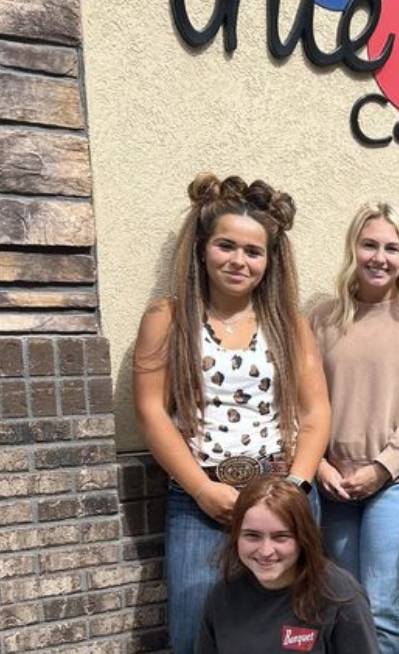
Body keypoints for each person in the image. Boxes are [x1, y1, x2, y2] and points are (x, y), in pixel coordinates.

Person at [133, 174, 330, 654]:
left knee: (293, 630)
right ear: (202, 248)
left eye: (253, 251)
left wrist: (297, 488)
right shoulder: (168, 317)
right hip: (201, 500)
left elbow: (316, 411)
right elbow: (151, 412)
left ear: (269, 259)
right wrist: (202, 490)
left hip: (282, 490)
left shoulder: (290, 324)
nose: (239, 260)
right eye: (226, 245)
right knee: (195, 628)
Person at [308, 203, 399, 653]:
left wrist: (382, 467)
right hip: (335, 486)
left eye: (392, 248)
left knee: (382, 609)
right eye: (369, 244)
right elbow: (302, 402)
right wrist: (317, 465)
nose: (380, 257)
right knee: (343, 604)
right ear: (353, 248)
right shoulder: (323, 319)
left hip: (398, 483)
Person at [195, 476, 379, 653]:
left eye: (281, 537)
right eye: (252, 536)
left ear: (303, 537)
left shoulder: (340, 596)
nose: (266, 551)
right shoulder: (222, 597)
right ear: (236, 536)